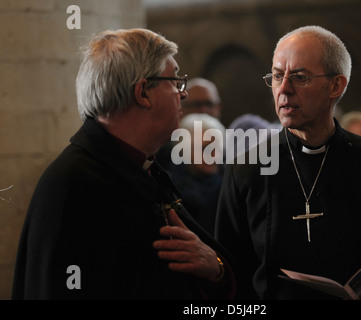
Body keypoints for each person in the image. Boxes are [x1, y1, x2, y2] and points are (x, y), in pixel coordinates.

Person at [215, 25, 361, 299]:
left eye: (300, 77)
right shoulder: (246, 170)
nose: (285, 89)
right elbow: (229, 276)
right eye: (278, 76)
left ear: (336, 86)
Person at [12, 28, 234, 299]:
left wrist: (217, 268)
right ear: (143, 93)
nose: (183, 94)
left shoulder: (143, 169)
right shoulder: (75, 184)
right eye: (175, 81)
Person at [169, 113, 226, 236]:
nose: (214, 156)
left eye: (218, 148)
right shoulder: (169, 192)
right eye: (206, 149)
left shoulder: (229, 188)